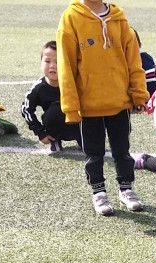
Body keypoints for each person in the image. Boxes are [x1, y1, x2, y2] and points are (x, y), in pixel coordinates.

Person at [57, 0, 149, 217]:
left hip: (119, 103)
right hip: (89, 106)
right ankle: (98, 192)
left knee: (122, 151)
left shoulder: (119, 18)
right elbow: (66, 66)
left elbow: (133, 60)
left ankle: (126, 189)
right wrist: (70, 106)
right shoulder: (71, 18)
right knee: (94, 154)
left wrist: (139, 94)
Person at [20, 41, 80, 154]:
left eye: (58, 62)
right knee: (54, 110)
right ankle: (55, 139)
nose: (52, 66)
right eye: (47, 61)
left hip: (78, 124)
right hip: (55, 124)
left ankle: (84, 139)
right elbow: (26, 109)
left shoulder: (76, 83)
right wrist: (40, 132)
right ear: (41, 64)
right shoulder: (38, 88)